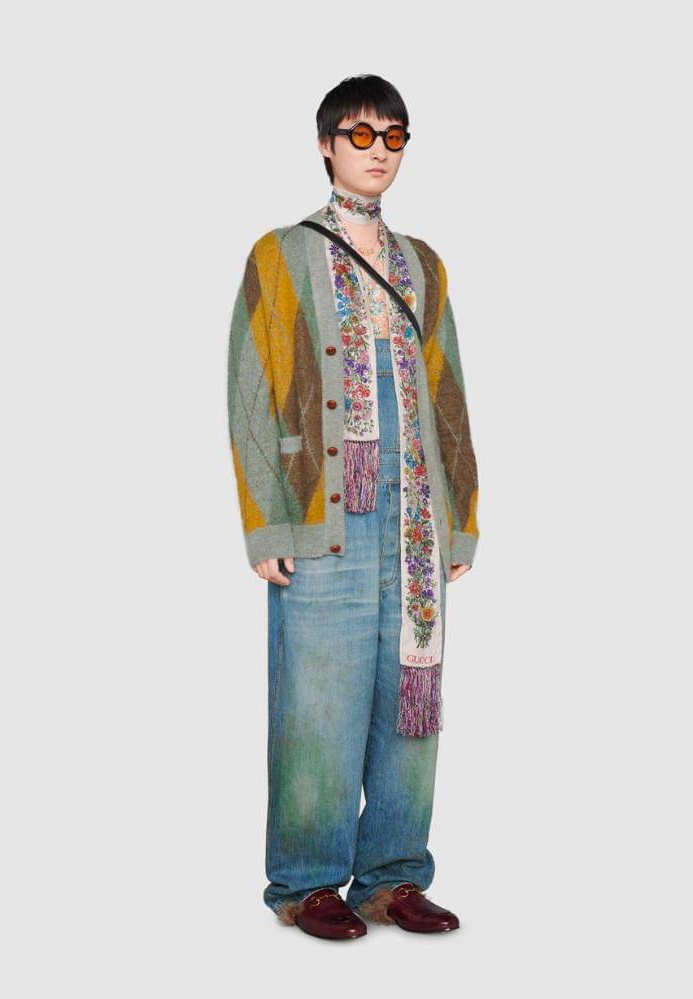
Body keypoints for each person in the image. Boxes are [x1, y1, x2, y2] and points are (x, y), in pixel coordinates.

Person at [227, 74, 480, 940]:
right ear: (326, 144)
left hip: (414, 516)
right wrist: (267, 520)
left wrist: (461, 516)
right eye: (360, 135)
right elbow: (251, 388)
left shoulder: (424, 264)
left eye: (393, 135)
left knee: (410, 695)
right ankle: (306, 883)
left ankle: (393, 875)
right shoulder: (279, 254)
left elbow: (447, 393)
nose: (378, 151)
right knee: (318, 697)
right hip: (321, 511)